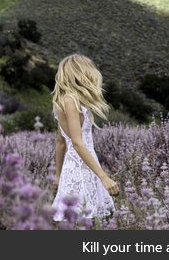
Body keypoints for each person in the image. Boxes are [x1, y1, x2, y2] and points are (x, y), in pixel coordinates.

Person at [51, 54, 119, 222]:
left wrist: (58, 175)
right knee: (84, 218)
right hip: (80, 169)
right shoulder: (70, 101)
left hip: (82, 165)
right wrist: (104, 177)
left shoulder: (64, 100)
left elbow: (61, 142)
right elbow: (77, 143)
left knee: (80, 220)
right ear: (81, 72)